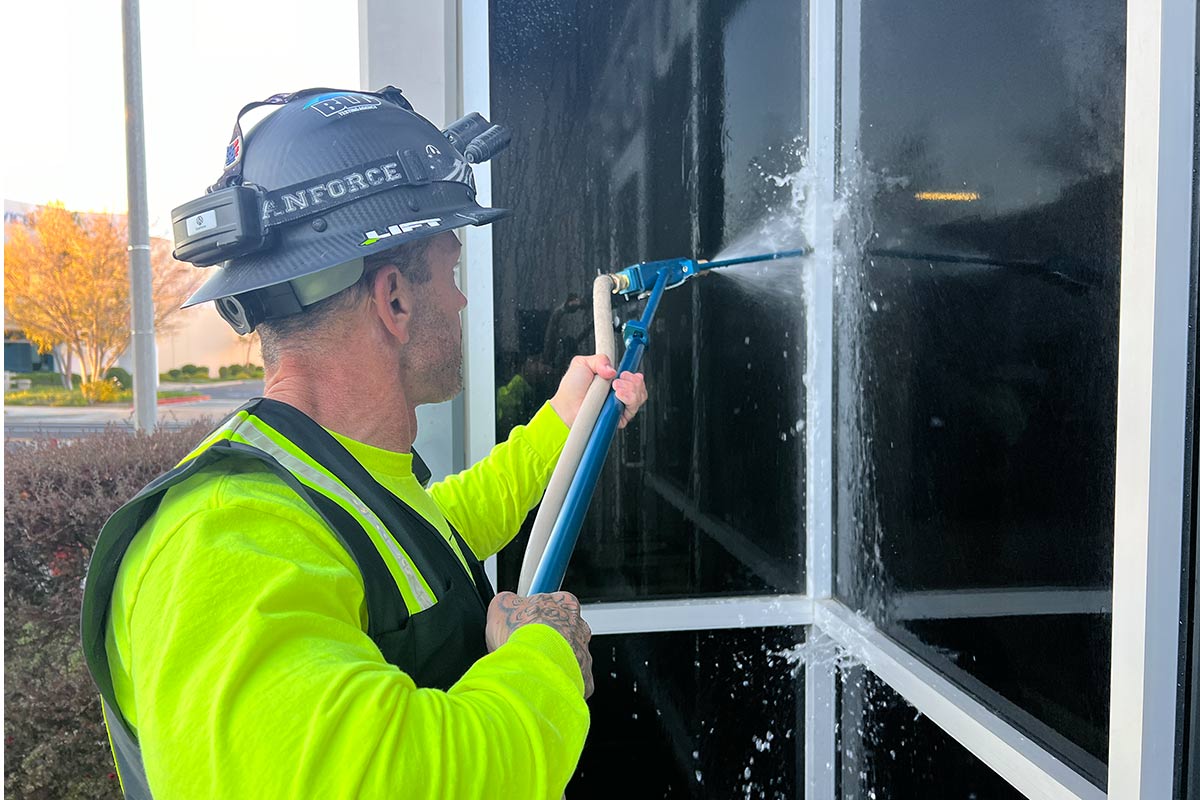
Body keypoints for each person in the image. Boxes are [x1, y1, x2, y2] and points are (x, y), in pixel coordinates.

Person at [80, 86, 648, 799]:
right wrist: (545, 653)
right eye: (453, 270)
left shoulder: (334, 484)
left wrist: (567, 420)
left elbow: (438, 534)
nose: (466, 301)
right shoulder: (221, 540)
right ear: (396, 300)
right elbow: (383, 779)